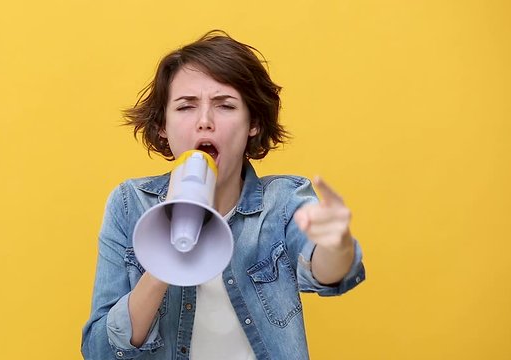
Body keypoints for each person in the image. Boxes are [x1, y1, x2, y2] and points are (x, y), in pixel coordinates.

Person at [81, 30, 366, 360]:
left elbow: (328, 271)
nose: (204, 121)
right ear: (162, 126)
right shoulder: (129, 205)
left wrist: (337, 244)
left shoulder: (285, 200)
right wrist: (164, 258)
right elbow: (99, 350)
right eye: (186, 106)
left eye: (225, 105)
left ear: (253, 124)